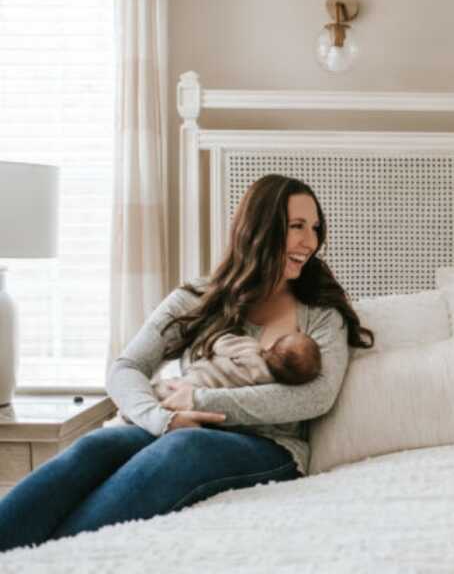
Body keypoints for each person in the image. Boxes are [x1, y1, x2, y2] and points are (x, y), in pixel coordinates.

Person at [0, 174, 373, 551]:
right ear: (259, 228)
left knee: (182, 449)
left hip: (268, 446)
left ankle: (52, 563)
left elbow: (316, 396)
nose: (310, 241)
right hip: (174, 426)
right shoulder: (198, 297)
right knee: (93, 447)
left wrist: (200, 403)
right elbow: (125, 367)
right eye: (297, 226)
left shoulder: (323, 314)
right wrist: (163, 419)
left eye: (315, 228)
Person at [153, 330, 322, 398]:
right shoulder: (266, 386)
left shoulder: (251, 348)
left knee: (161, 390)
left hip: (196, 379)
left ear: (271, 347)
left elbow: (219, 344)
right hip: (204, 395)